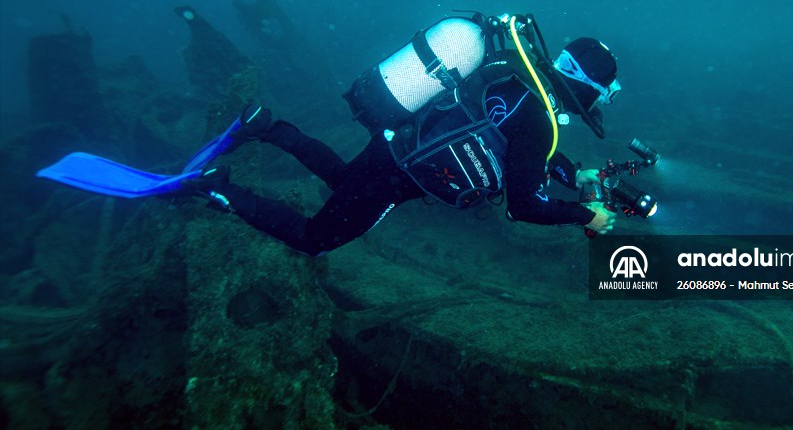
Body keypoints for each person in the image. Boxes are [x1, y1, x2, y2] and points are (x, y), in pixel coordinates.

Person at [189, 33, 621, 257]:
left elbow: (518, 146)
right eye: (600, 94)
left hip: (396, 143)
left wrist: (573, 172)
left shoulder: (514, 75)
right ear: (585, 88)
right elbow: (522, 206)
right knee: (313, 238)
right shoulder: (540, 120)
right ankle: (219, 187)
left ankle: (264, 126)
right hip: (400, 179)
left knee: (342, 178)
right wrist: (587, 215)